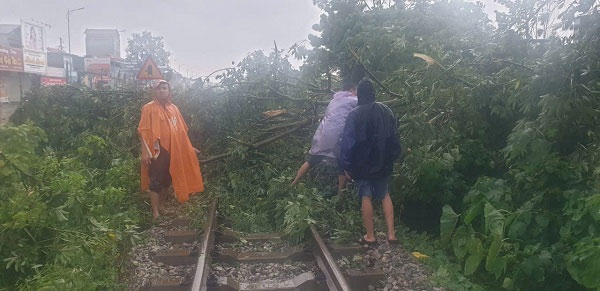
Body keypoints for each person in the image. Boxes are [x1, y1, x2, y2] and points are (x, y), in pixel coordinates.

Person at [340, 80, 402, 244]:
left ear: (359, 95)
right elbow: (394, 135)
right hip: (383, 161)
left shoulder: (354, 114)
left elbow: (347, 142)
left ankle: (370, 236)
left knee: (365, 196)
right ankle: (391, 234)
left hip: (361, 164)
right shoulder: (385, 109)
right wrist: (394, 156)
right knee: (385, 195)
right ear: (373, 93)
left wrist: (346, 165)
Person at [138, 80, 204, 219]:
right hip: (157, 151)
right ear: (154, 91)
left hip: (173, 150)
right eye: (159, 88)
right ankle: (155, 212)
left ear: (169, 90)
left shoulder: (174, 108)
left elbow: (180, 132)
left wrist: (189, 147)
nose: (161, 91)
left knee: (167, 179)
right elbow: (143, 131)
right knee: (156, 180)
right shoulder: (148, 108)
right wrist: (144, 153)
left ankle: (162, 206)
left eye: (164, 88)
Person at [291, 81, 358, 195]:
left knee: (311, 160)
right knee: (342, 164)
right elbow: (366, 106)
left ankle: (293, 183)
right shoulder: (353, 100)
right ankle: (340, 194)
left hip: (322, 134)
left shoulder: (334, 100)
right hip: (338, 136)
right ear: (351, 90)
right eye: (356, 90)